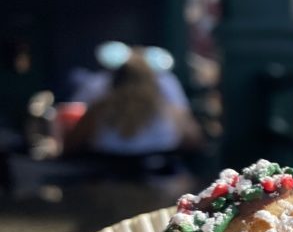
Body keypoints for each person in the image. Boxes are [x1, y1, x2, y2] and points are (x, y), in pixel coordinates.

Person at [64, 51, 202, 157]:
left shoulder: (99, 109)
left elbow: (71, 145)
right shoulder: (170, 110)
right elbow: (194, 141)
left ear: (114, 80)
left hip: (108, 185)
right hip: (160, 186)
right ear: (153, 81)